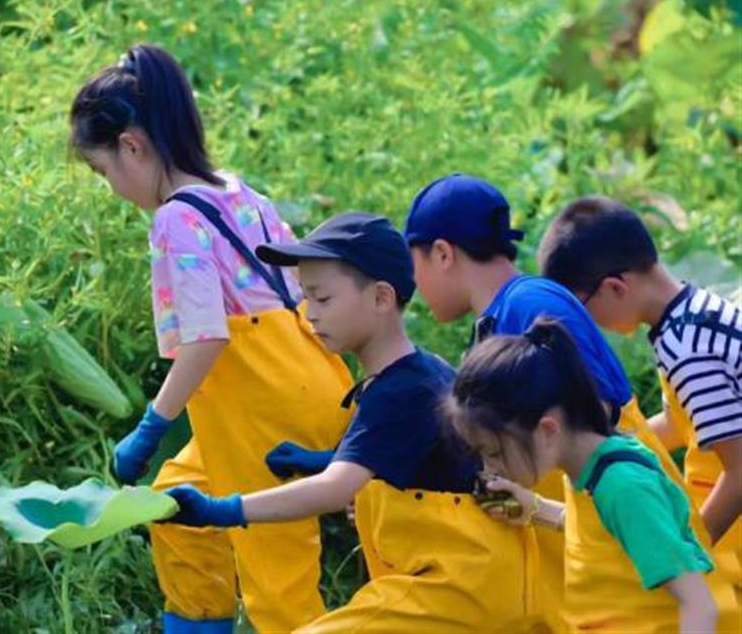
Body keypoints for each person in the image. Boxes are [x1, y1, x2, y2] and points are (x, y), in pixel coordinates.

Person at [69, 44, 353, 633]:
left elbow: (206, 340)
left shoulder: (177, 219)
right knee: (177, 506)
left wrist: (151, 426)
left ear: (132, 146)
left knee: (277, 580)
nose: (111, 187)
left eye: (103, 172)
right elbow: (305, 288)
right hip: (306, 382)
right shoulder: (239, 193)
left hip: (261, 411)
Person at [164, 213, 545, 632]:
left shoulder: (397, 391)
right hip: (485, 581)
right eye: (305, 298)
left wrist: (221, 509)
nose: (309, 313)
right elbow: (421, 461)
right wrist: (322, 460)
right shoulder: (422, 373)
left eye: (323, 298)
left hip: (457, 587)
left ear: (381, 298)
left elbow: (334, 491)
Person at [446, 317, 719, 633]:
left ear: (547, 430)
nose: (489, 467)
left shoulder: (623, 486)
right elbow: (606, 536)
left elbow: (699, 605)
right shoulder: (585, 468)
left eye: (494, 452)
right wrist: (533, 509)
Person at [538, 196, 742, 609]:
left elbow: (740, 470)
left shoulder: (687, 348)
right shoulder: (692, 315)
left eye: (585, 310)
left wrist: (691, 554)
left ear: (615, 287)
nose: (590, 327)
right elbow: (679, 421)